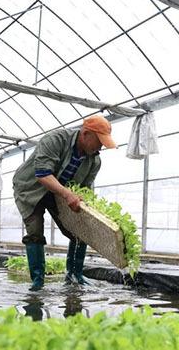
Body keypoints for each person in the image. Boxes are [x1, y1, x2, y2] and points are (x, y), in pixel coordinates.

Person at [12, 115, 117, 291]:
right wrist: (67, 194)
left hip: (59, 193)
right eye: (99, 141)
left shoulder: (94, 161)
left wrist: (89, 211)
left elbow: (85, 190)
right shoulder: (55, 140)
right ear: (85, 134)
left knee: (80, 230)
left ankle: (74, 276)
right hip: (30, 188)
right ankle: (38, 282)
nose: (101, 147)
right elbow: (43, 174)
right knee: (35, 231)